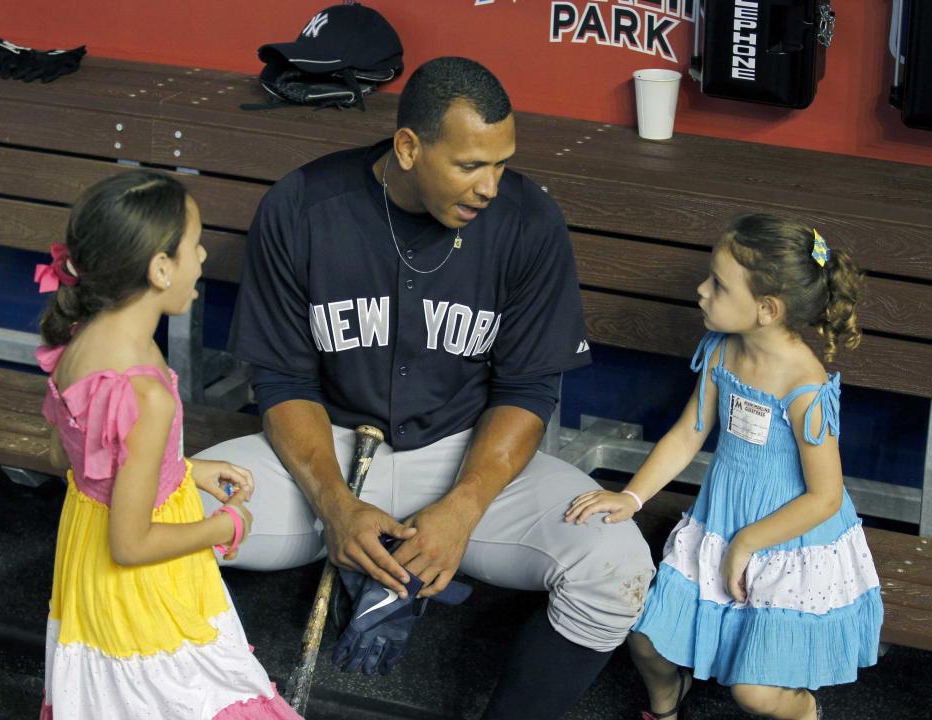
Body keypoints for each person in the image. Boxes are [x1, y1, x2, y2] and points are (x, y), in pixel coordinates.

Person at [194, 56, 654, 718]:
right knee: (144, 519)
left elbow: (527, 392)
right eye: (470, 165)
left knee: (614, 564)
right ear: (409, 147)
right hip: (323, 453)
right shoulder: (304, 207)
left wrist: (464, 508)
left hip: (464, 458)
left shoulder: (528, 220)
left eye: (501, 163)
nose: (491, 185)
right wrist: (333, 504)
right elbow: (283, 380)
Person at [565, 214, 883, 720]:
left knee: (754, 694)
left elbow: (824, 498)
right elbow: (689, 432)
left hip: (790, 542)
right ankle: (669, 705)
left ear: (766, 309)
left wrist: (747, 543)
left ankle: (804, 712)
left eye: (717, 284)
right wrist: (631, 497)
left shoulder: (806, 389)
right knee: (646, 643)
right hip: (722, 519)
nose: (701, 290)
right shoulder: (721, 351)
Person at [35, 170, 302, 720]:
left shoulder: (80, 341)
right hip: (141, 592)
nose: (202, 257)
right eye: (194, 245)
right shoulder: (144, 392)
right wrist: (224, 528)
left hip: (85, 568)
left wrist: (180, 469)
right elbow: (130, 545)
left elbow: (73, 458)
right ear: (160, 269)